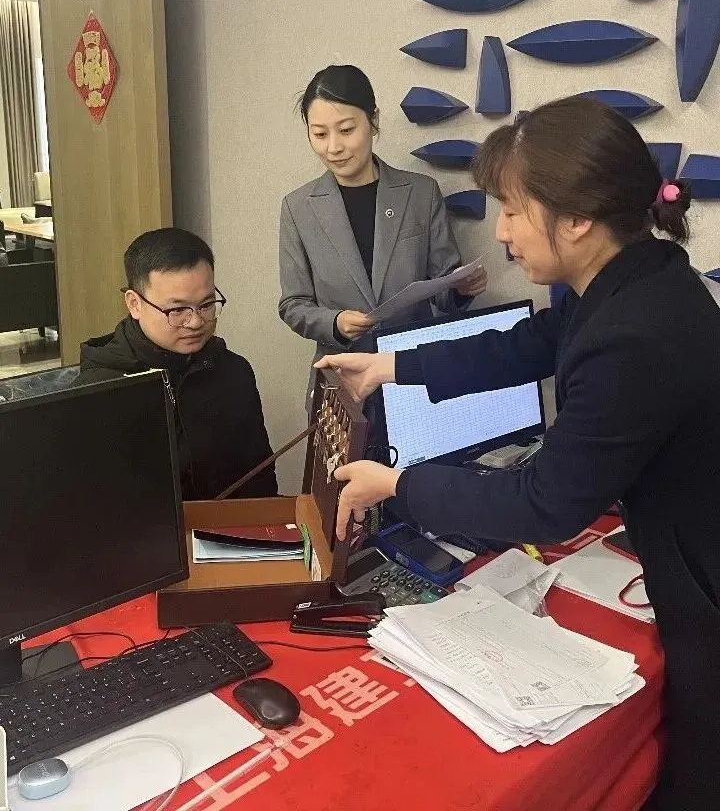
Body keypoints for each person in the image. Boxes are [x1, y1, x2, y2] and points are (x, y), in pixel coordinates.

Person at [317, 98, 720, 810]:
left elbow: (545, 503)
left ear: (577, 218)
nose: (500, 231)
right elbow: (533, 345)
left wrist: (400, 484)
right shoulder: (634, 273)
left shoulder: (635, 333)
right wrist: (394, 367)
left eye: (512, 209)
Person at [278, 64, 487, 407]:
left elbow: (442, 286)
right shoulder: (298, 208)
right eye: (319, 134)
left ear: (373, 121)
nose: (334, 147)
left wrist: (460, 290)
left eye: (346, 130)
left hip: (413, 372)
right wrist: (335, 322)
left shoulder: (420, 193)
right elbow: (293, 305)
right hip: (342, 382)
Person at [76, 227, 277, 500]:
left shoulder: (233, 371)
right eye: (178, 310)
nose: (195, 322)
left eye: (206, 305)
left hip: (231, 524)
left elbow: (259, 476)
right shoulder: (100, 390)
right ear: (134, 304)